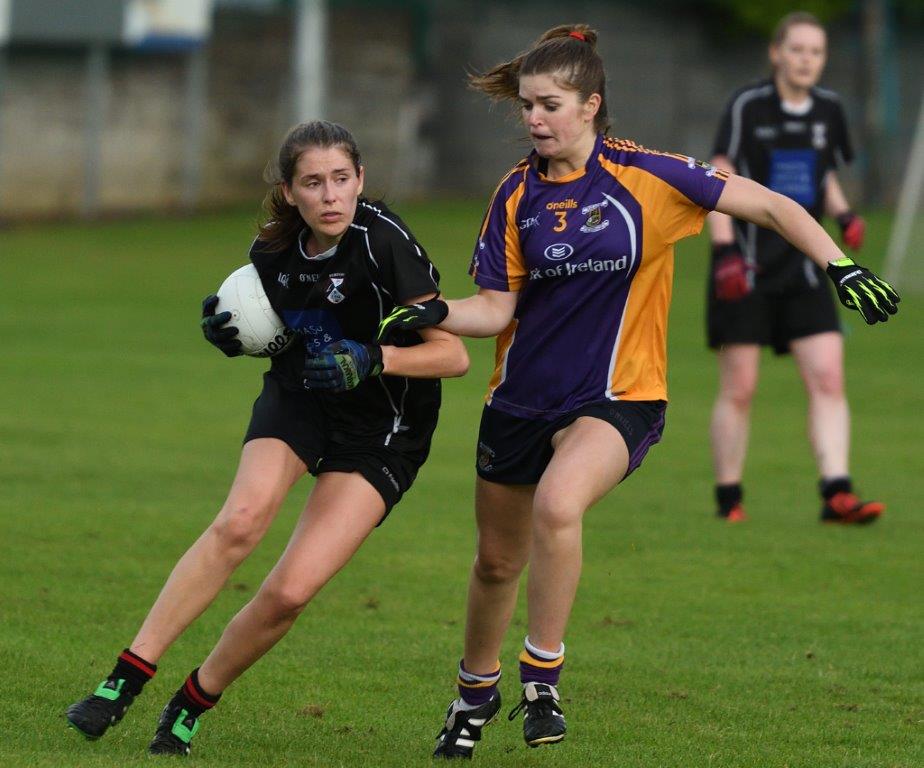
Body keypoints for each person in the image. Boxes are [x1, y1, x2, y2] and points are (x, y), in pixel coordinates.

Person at [375, 24, 898, 758]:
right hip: (519, 401)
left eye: (549, 104)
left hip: (622, 396)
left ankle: (541, 677)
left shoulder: (650, 177)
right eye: (526, 105)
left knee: (561, 502)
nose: (533, 119)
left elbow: (774, 206)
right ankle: (473, 692)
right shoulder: (515, 194)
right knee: (496, 564)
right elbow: (496, 309)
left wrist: (839, 266)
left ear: (591, 105)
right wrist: (435, 311)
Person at [65, 120, 469, 756]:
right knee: (240, 521)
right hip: (302, 397)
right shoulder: (271, 254)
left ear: (361, 180)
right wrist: (234, 334)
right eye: (314, 183)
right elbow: (275, 329)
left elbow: (453, 355)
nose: (331, 195)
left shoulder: (384, 241)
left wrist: (373, 358)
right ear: (289, 193)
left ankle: (193, 699)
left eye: (342, 179)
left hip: (384, 427)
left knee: (288, 592)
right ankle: (123, 679)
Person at [706, 12, 891, 524]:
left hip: (806, 267)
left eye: (816, 52)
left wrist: (845, 212)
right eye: (798, 49)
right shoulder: (748, 105)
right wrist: (724, 254)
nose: (807, 59)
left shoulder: (829, 109)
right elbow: (718, 175)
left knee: (829, 377)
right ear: (777, 53)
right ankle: (729, 502)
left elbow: (823, 169)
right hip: (743, 266)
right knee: (740, 386)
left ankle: (837, 492)